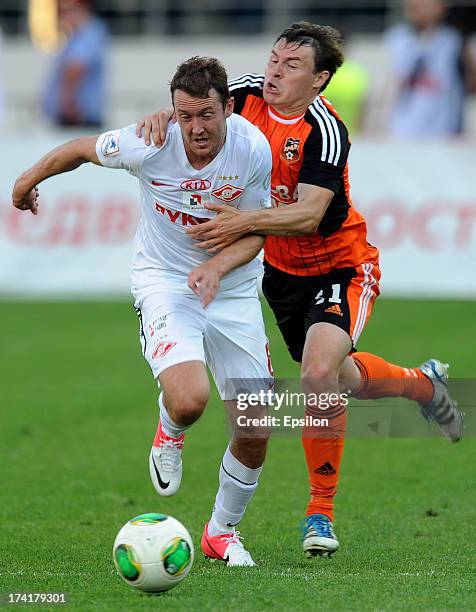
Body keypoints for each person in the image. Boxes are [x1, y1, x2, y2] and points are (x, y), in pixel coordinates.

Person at [137, 22, 464, 559]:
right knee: (342, 379)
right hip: (280, 278)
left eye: (291, 67)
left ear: (320, 80)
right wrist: (161, 117)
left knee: (316, 375)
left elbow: (310, 214)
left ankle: (320, 514)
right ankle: (423, 386)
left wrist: (242, 222)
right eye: (273, 60)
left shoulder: (325, 129)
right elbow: (196, 111)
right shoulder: (242, 95)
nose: (274, 72)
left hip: (341, 266)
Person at [13, 56, 275, 567]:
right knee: (190, 401)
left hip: (234, 287)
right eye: (185, 115)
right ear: (172, 111)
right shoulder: (151, 140)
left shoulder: (252, 149)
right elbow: (79, 149)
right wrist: (27, 180)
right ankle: (169, 430)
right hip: (165, 282)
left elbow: (259, 231)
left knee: (255, 425)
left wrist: (218, 267)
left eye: (206, 114)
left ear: (227, 108)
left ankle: (222, 532)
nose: (196, 128)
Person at [384, 0, 476, 136]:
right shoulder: (395, 38)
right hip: (401, 131)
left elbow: (470, 84)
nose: (420, 10)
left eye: (426, 6)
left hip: (443, 133)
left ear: (440, 8)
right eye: (414, 6)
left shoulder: (454, 41)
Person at [42, 0, 109, 128]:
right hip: (75, 118)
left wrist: (68, 104)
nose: (62, 14)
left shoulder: (88, 32)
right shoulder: (79, 33)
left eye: (66, 9)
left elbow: (76, 68)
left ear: (82, 7)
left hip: (77, 119)